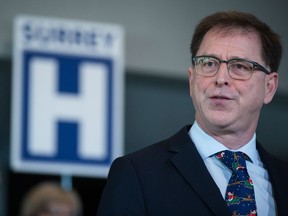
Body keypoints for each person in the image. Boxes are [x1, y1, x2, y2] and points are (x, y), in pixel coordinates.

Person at [96, 11, 288, 216]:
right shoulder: (137, 174)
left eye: (239, 66)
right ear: (192, 79)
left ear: (269, 87)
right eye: (209, 63)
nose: (220, 78)